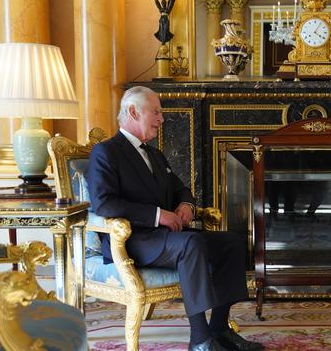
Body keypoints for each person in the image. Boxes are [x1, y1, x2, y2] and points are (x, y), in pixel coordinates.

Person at [88, 86, 264, 351]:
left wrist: (185, 205)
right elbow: (104, 203)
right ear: (134, 112)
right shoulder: (106, 152)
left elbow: (180, 188)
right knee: (191, 245)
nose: (162, 119)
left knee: (231, 242)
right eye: (156, 112)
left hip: (165, 238)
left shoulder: (155, 155)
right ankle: (201, 340)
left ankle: (220, 330)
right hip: (132, 239)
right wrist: (159, 216)